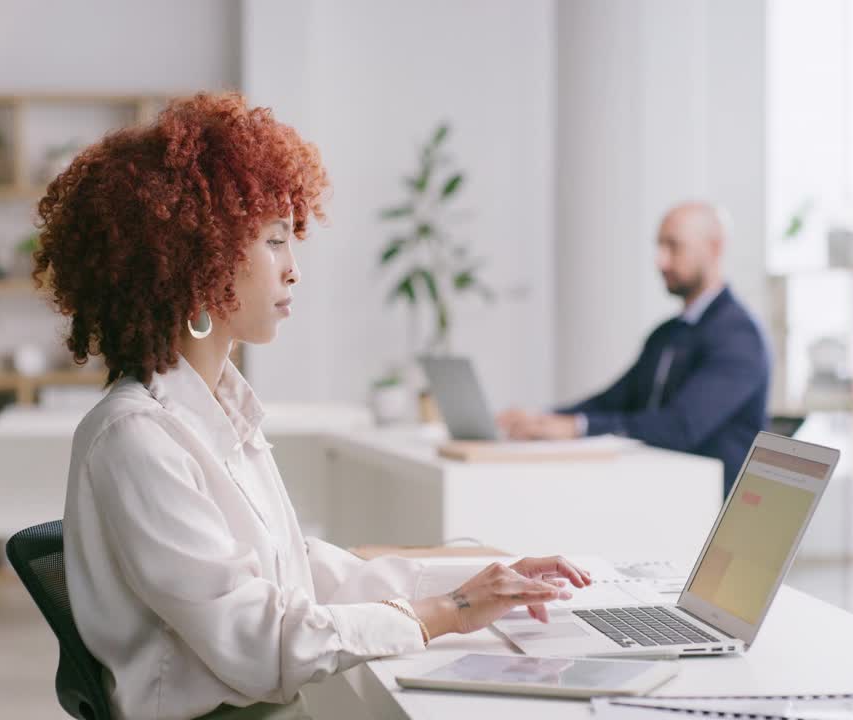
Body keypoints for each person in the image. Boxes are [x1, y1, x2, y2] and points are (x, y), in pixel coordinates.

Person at [35, 92, 592, 720]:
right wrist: (452, 613)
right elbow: (263, 645)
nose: (292, 270)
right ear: (198, 266)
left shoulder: (218, 415)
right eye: (273, 242)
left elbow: (296, 575)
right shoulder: (135, 438)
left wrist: (486, 577)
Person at [498, 202, 769, 494]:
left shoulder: (739, 336)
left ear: (714, 248)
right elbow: (612, 400)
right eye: (659, 246)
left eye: (674, 247)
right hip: (655, 492)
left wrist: (576, 427)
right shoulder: (666, 334)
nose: (661, 261)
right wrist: (542, 419)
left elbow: (679, 427)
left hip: (709, 509)